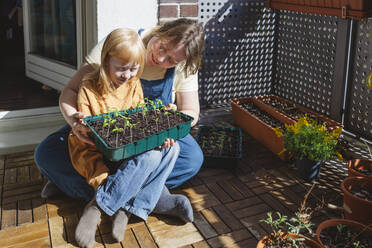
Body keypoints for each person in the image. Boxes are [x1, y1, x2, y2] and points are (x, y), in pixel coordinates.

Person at [34, 18, 204, 225]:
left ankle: (78, 187)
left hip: (150, 136)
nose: (161, 59)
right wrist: (73, 121)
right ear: (161, 31)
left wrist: (173, 117)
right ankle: (151, 198)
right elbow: (69, 91)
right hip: (103, 128)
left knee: (192, 159)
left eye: (171, 60)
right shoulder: (121, 44)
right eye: (162, 48)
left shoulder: (184, 65)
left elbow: (192, 112)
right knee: (45, 153)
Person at [68, 28, 183, 248]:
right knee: (149, 159)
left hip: (128, 146)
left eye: (134, 69)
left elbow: (139, 122)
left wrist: (160, 125)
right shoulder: (89, 88)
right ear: (106, 61)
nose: (128, 75)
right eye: (121, 69)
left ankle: (129, 208)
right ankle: (97, 207)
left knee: (173, 148)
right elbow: (93, 139)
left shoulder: (134, 85)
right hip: (101, 149)